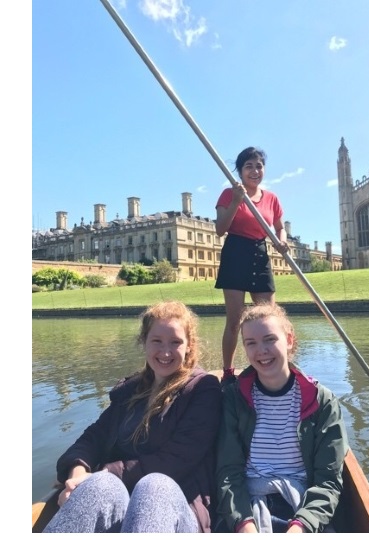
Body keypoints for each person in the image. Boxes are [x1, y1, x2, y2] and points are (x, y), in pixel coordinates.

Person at [43, 301, 222, 533]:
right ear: (144, 342)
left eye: (175, 342)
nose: (165, 352)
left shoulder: (202, 389)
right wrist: (77, 473)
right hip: (119, 501)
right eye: (156, 341)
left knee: (153, 485)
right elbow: (94, 437)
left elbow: (177, 459)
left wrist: (106, 471)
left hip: (177, 506)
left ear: (189, 346)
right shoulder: (131, 390)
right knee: (101, 486)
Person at [215, 303, 349, 533]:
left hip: (303, 508)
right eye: (251, 343)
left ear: (288, 340)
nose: (261, 351)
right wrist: (244, 524)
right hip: (247, 506)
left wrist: (300, 527)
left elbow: (328, 481)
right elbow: (228, 472)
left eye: (270, 339)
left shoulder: (322, 402)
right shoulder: (235, 400)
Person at [214, 147, 289, 381]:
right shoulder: (229, 194)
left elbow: (279, 227)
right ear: (240, 171)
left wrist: (282, 241)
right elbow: (220, 229)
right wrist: (237, 200)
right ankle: (228, 371)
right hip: (236, 252)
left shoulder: (272, 198)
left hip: (259, 252)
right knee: (235, 320)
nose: (255, 171)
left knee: (271, 318)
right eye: (249, 166)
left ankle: (277, 366)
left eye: (259, 166)